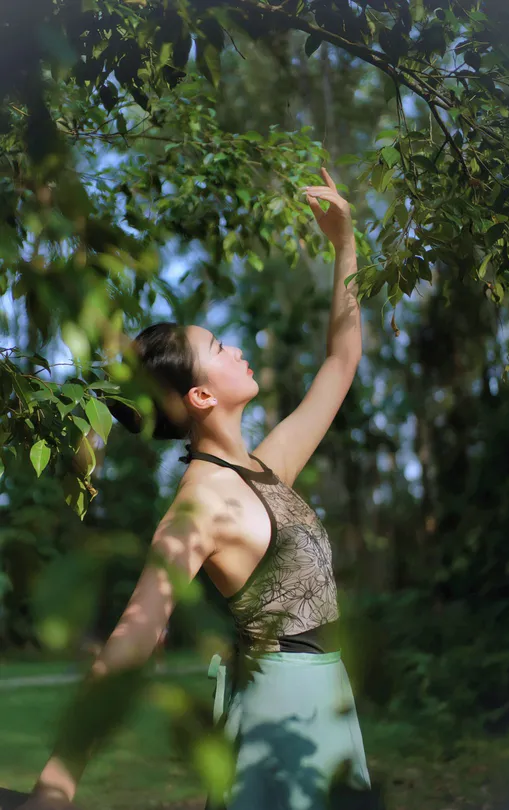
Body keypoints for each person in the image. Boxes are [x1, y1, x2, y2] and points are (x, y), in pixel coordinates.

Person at [21, 167, 369, 809]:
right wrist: (59, 782)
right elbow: (136, 633)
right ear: (201, 395)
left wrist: (346, 244)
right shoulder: (198, 504)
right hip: (278, 716)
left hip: (326, 703)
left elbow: (341, 361)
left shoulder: (269, 467)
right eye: (217, 346)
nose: (234, 348)